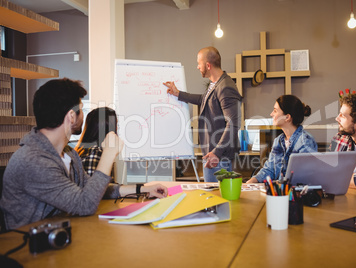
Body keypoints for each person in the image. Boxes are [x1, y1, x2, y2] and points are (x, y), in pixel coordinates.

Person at [0, 78, 167, 230]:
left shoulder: (69, 154)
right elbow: (84, 204)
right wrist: (109, 153)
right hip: (32, 251)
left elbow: (94, 189)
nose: (83, 115)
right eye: (81, 109)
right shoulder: (33, 160)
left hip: (61, 235)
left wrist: (143, 189)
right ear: (72, 116)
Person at [163, 46, 242, 182]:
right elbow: (203, 100)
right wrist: (178, 94)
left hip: (218, 157)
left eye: (199, 63)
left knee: (216, 200)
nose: (197, 67)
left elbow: (233, 123)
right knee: (212, 199)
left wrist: (216, 152)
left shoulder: (226, 86)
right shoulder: (215, 84)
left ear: (208, 65)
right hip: (213, 154)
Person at [247, 95, 317, 183]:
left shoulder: (306, 141)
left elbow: (303, 176)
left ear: (287, 117)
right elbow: (269, 170)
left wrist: (277, 184)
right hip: (279, 194)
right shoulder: (278, 141)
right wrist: (251, 182)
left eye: (275, 111)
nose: (271, 114)